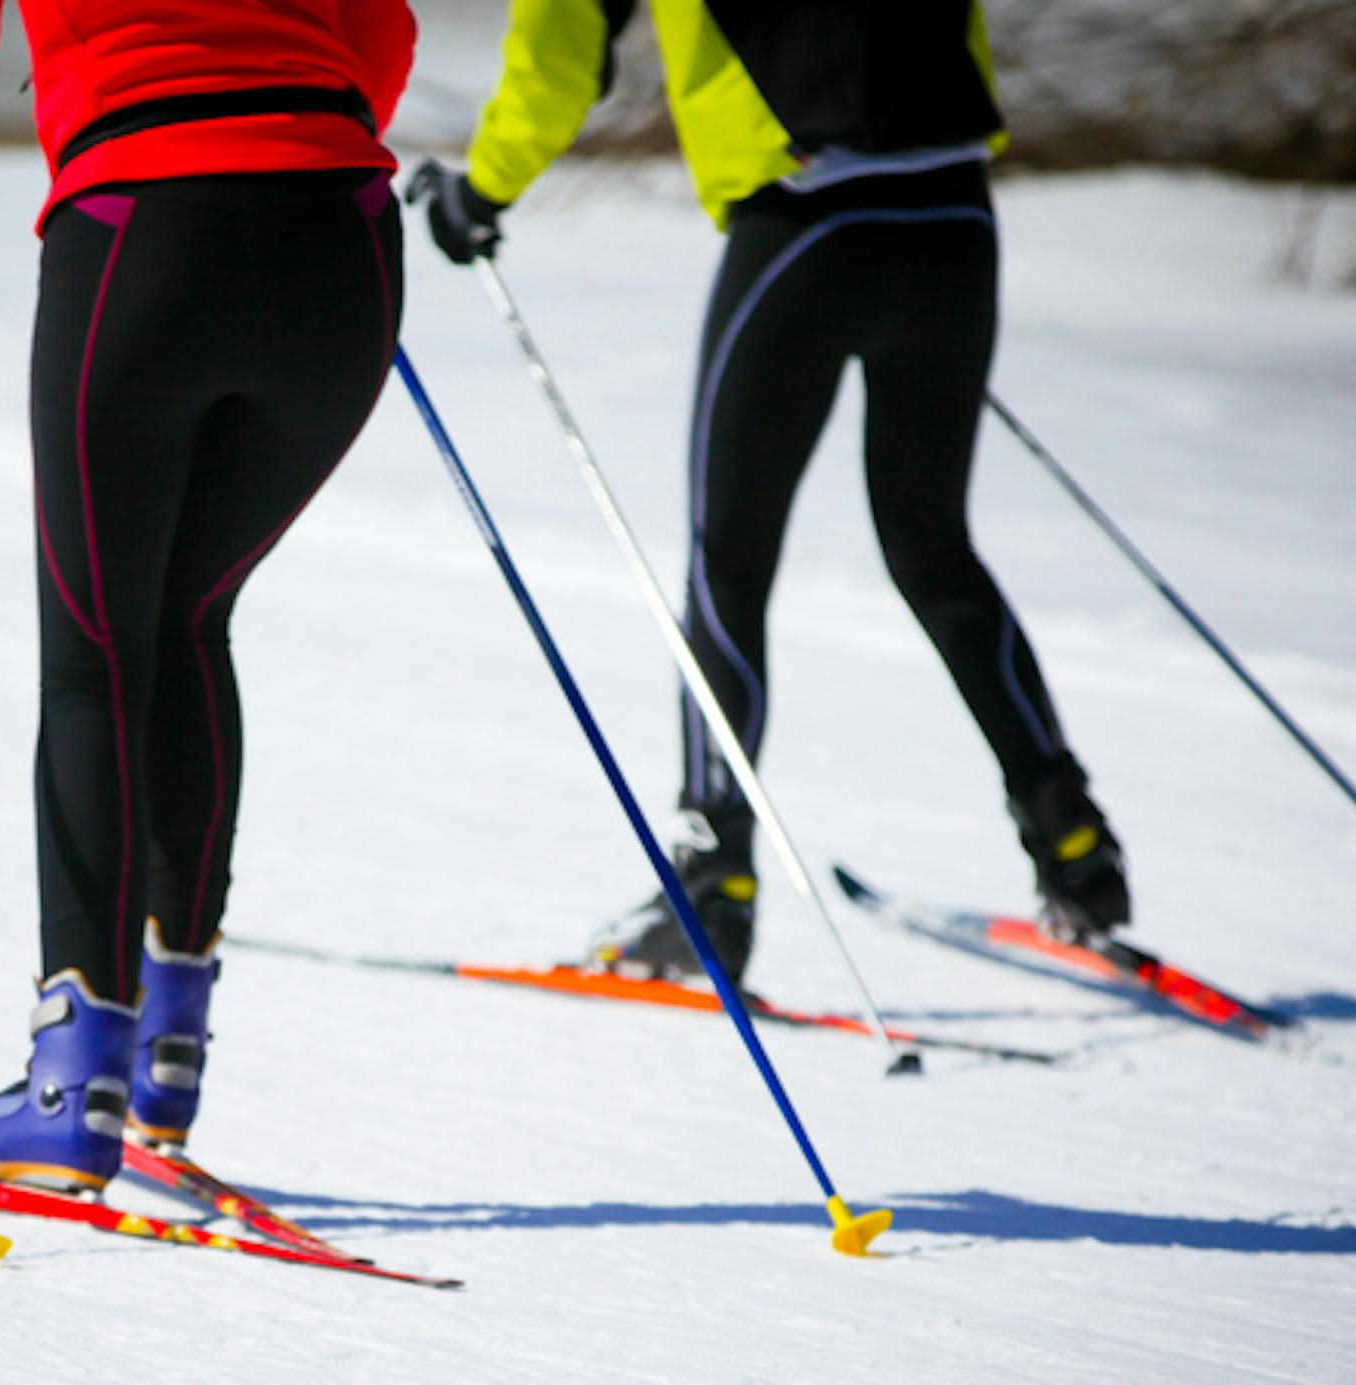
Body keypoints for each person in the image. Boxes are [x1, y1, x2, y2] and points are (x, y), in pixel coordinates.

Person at [0, 0, 415, 1194]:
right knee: (187, 620)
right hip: (340, 234)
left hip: (143, 231)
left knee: (95, 658)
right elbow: (384, 31)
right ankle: (164, 1058)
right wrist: (288, 157)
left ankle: (72, 1091)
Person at [409, 0, 1128, 985]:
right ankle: (1077, 849)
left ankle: (713, 887)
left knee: (730, 563)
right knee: (932, 547)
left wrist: (483, 189)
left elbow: (561, 50)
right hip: (952, 212)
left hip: (807, 219)